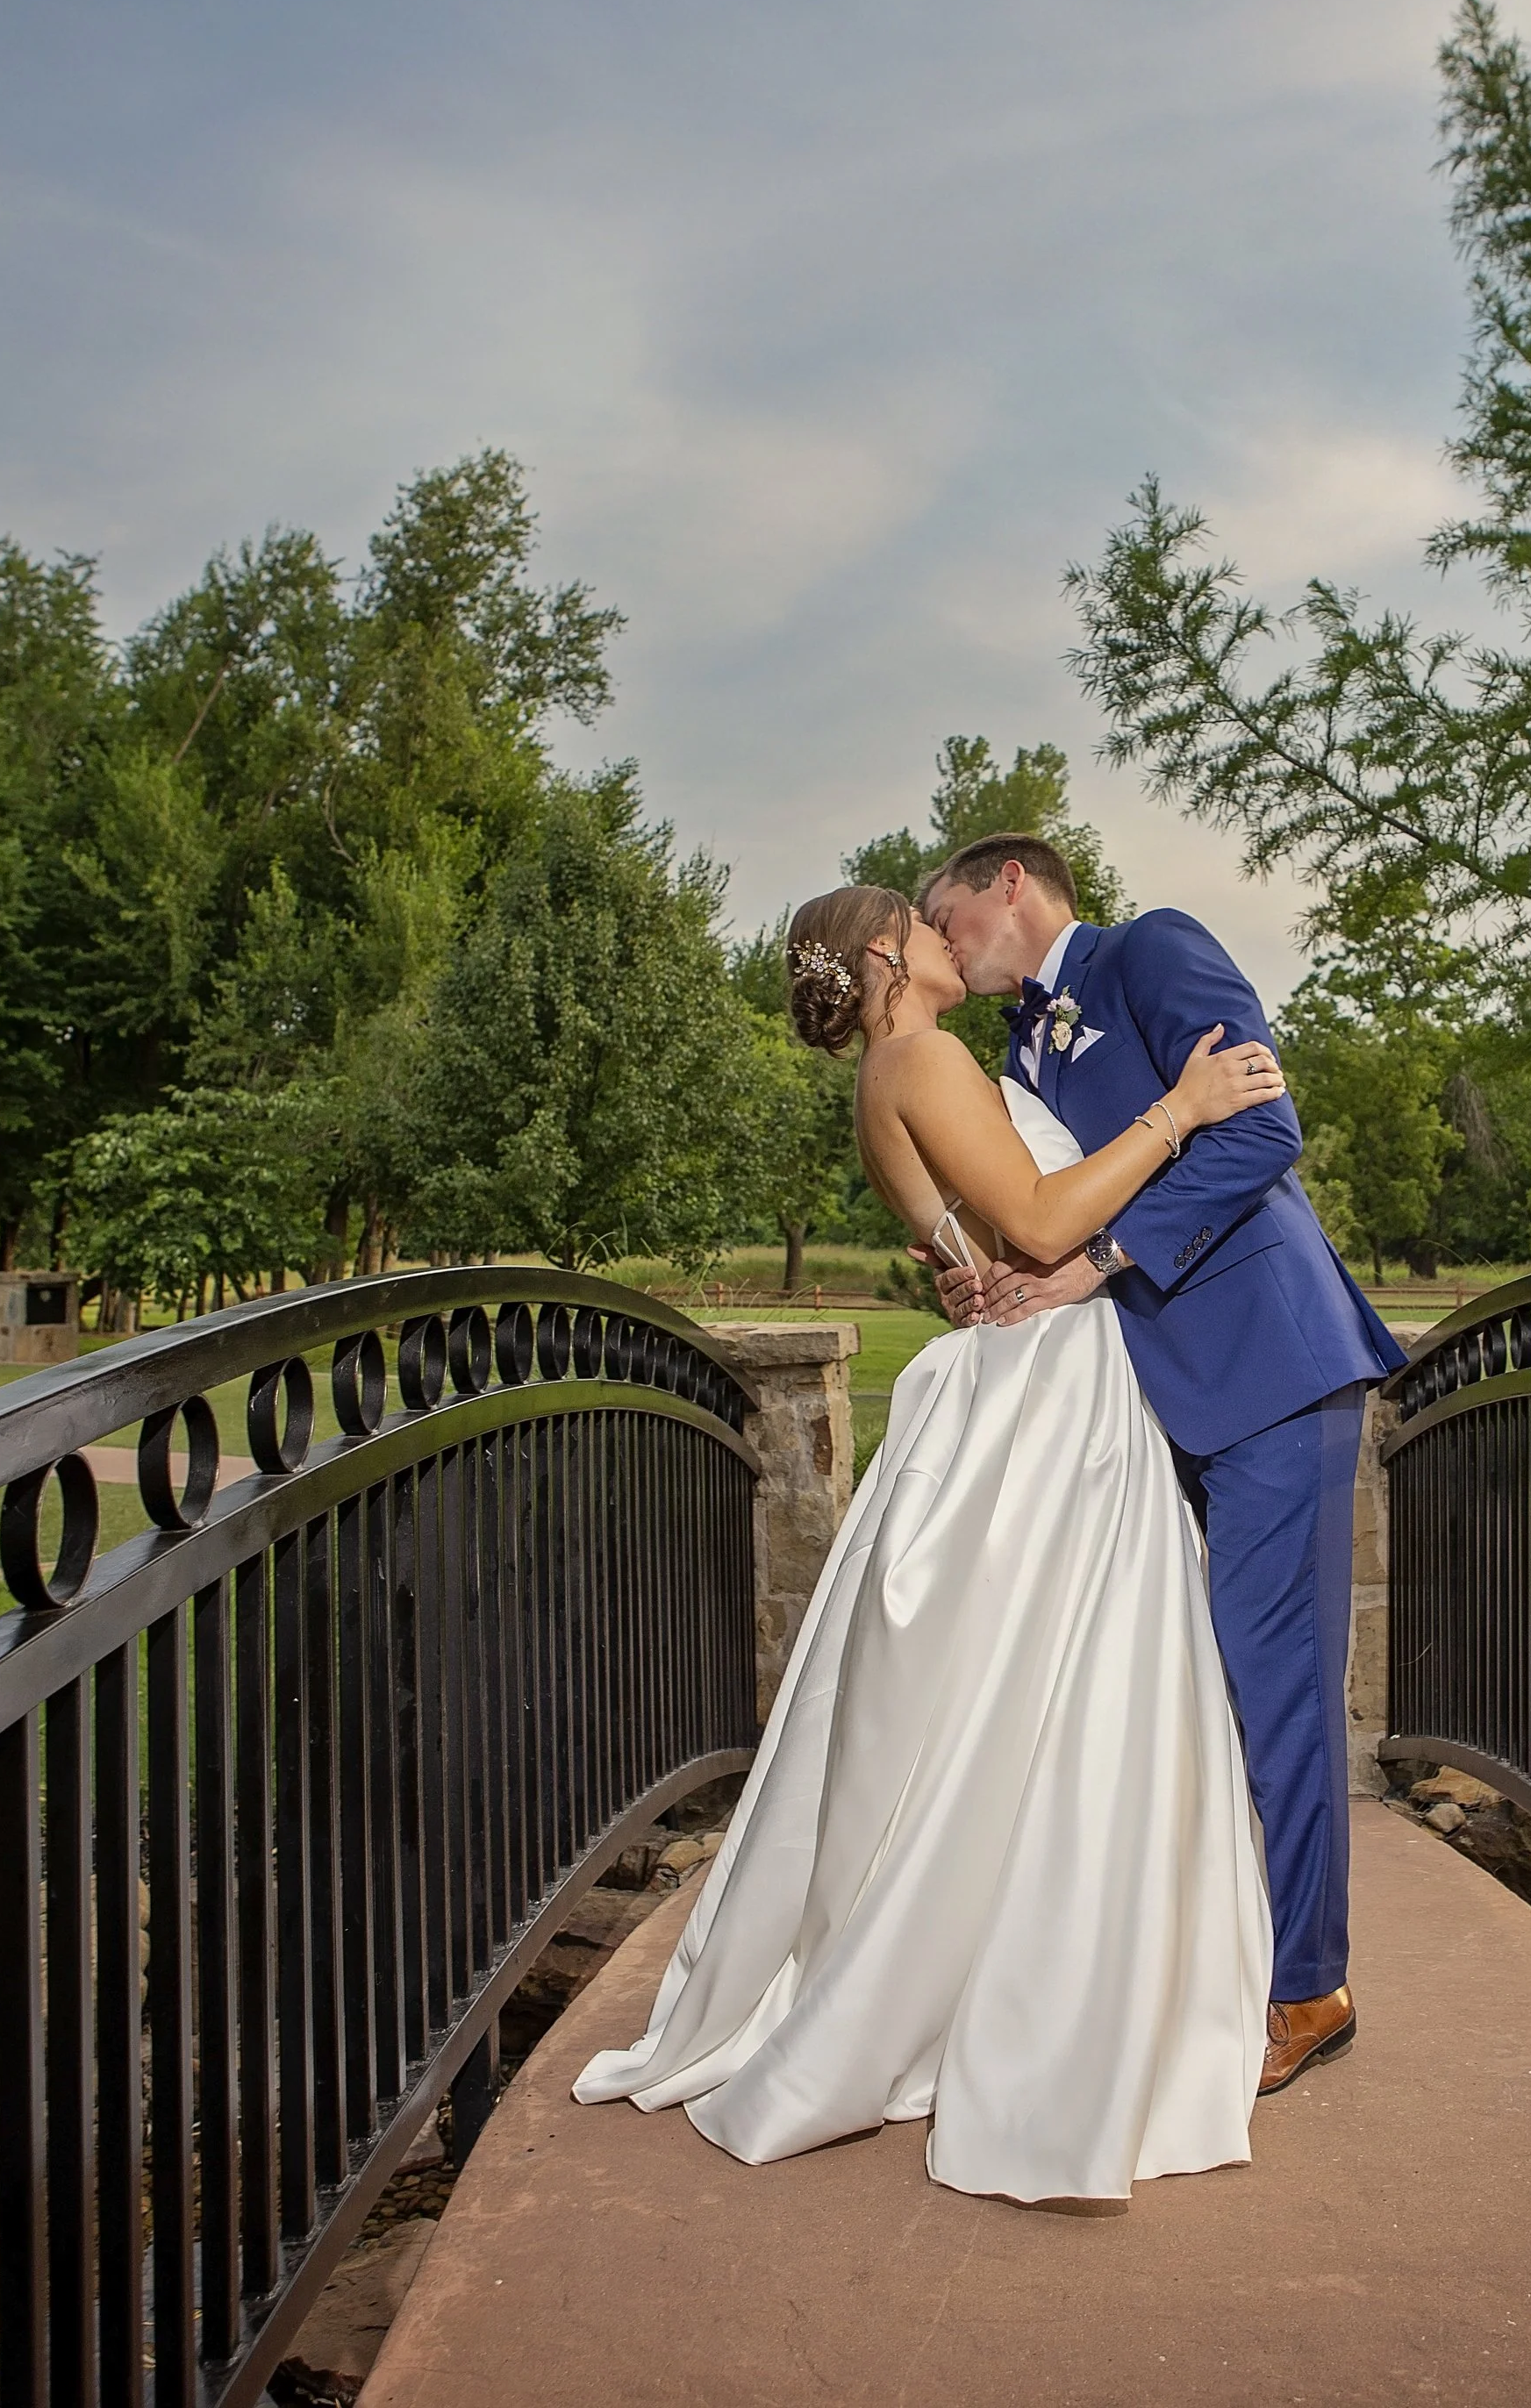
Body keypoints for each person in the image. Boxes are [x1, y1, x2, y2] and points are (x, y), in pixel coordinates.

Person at [572, 881, 1288, 2204]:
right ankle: (1035, 1997)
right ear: (886, 952)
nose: (953, 937)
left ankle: (964, 1967)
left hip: (1008, 1373)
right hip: (1048, 1393)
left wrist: (985, 1257)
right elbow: (1047, 1224)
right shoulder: (926, 1056)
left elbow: (969, 1248)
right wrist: (1181, 1113)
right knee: (1069, 1696)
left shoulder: (884, 1076)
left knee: (998, 1704)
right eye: (927, 920)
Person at [919, 836, 1407, 2094]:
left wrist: (1094, 1262)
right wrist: (999, 1270)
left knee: (1276, 1682)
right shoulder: (1018, 1051)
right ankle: (1219, 1951)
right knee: (1187, 1687)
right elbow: (1053, 1203)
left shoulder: (1154, 948)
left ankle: (1312, 1988)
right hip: (1147, 1403)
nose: (941, 933)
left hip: (1268, 1368)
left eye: (946, 907)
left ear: (1011, 882)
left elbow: (1264, 1132)